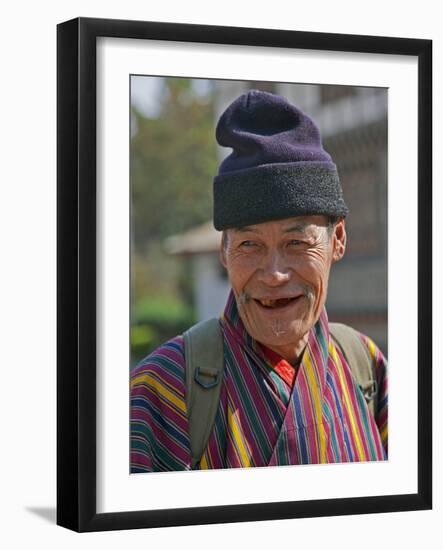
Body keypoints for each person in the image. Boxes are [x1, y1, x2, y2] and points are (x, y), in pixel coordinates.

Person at [130, 89, 388, 473]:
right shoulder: (164, 388)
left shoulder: (363, 365)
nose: (274, 274)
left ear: (337, 240)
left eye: (296, 242)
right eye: (249, 244)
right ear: (224, 251)